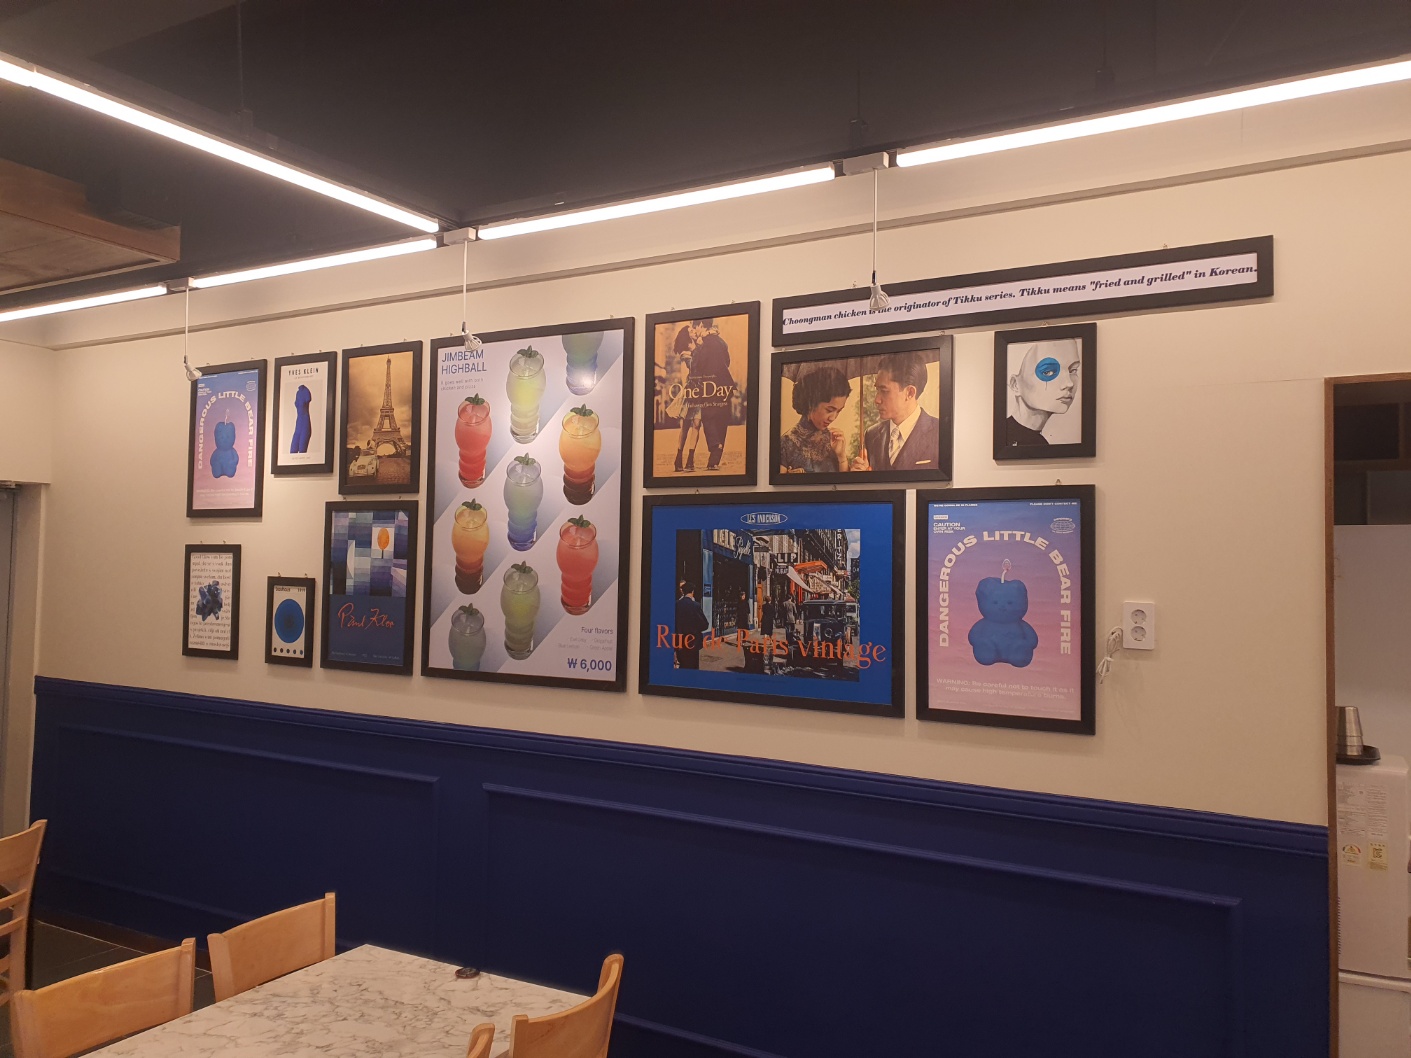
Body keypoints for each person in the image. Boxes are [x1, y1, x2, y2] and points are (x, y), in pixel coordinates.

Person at [851, 351, 941, 471]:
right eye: (877, 390)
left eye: (884, 391)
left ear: (910, 393)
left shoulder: (939, 433)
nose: (876, 400)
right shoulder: (872, 435)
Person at [1002, 338, 1080, 448]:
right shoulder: (1020, 442)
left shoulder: (1029, 439)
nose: (1069, 383)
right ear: (1015, 385)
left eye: (1073, 370)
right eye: (1048, 372)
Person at [779, 365, 852, 473]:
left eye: (839, 411)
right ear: (811, 403)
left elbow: (845, 482)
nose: (833, 418)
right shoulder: (786, 443)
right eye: (829, 410)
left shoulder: (833, 441)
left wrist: (842, 458)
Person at [687, 319, 736, 471]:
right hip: (725, 385)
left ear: (701, 325)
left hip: (709, 386)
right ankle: (714, 460)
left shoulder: (703, 344)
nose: (696, 330)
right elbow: (727, 361)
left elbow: (698, 365)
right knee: (721, 419)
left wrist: (695, 351)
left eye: (696, 326)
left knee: (708, 416)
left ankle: (715, 445)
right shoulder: (722, 342)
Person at [670, 325, 705, 471]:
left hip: (700, 391)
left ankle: (690, 459)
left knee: (697, 424)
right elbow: (695, 364)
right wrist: (699, 349)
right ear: (687, 335)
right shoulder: (685, 353)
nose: (694, 331)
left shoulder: (698, 347)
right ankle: (678, 457)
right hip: (690, 392)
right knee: (685, 426)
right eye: (691, 331)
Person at [674, 581, 710, 669]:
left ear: (683, 591)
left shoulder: (677, 604)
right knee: (693, 667)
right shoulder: (695, 605)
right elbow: (705, 625)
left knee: (683, 666)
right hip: (693, 642)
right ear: (692, 591)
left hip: (680, 642)